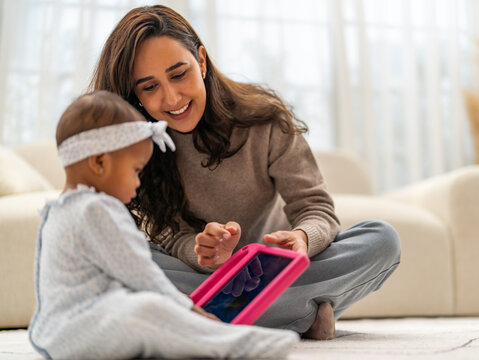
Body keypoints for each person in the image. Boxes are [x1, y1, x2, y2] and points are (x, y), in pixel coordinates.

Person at [90, 5, 401, 340]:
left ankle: (215, 316)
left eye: (179, 74)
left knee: (382, 240)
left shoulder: (265, 120)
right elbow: (169, 236)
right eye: (149, 87)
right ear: (134, 96)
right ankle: (299, 315)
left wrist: (301, 239)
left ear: (202, 61)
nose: (171, 97)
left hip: (277, 271)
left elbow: (316, 209)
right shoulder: (141, 148)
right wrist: (203, 251)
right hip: (206, 276)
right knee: (119, 255)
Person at [28, 90, 299, 359]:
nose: (137, 184)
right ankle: (231, 344)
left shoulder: (57, 211)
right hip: (87, 327)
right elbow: (142, 275)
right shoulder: (98, 209)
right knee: (148, 308)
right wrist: (188, 310)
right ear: (99, 162)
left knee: (148, 311)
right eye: (135, 171)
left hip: (56, 334)